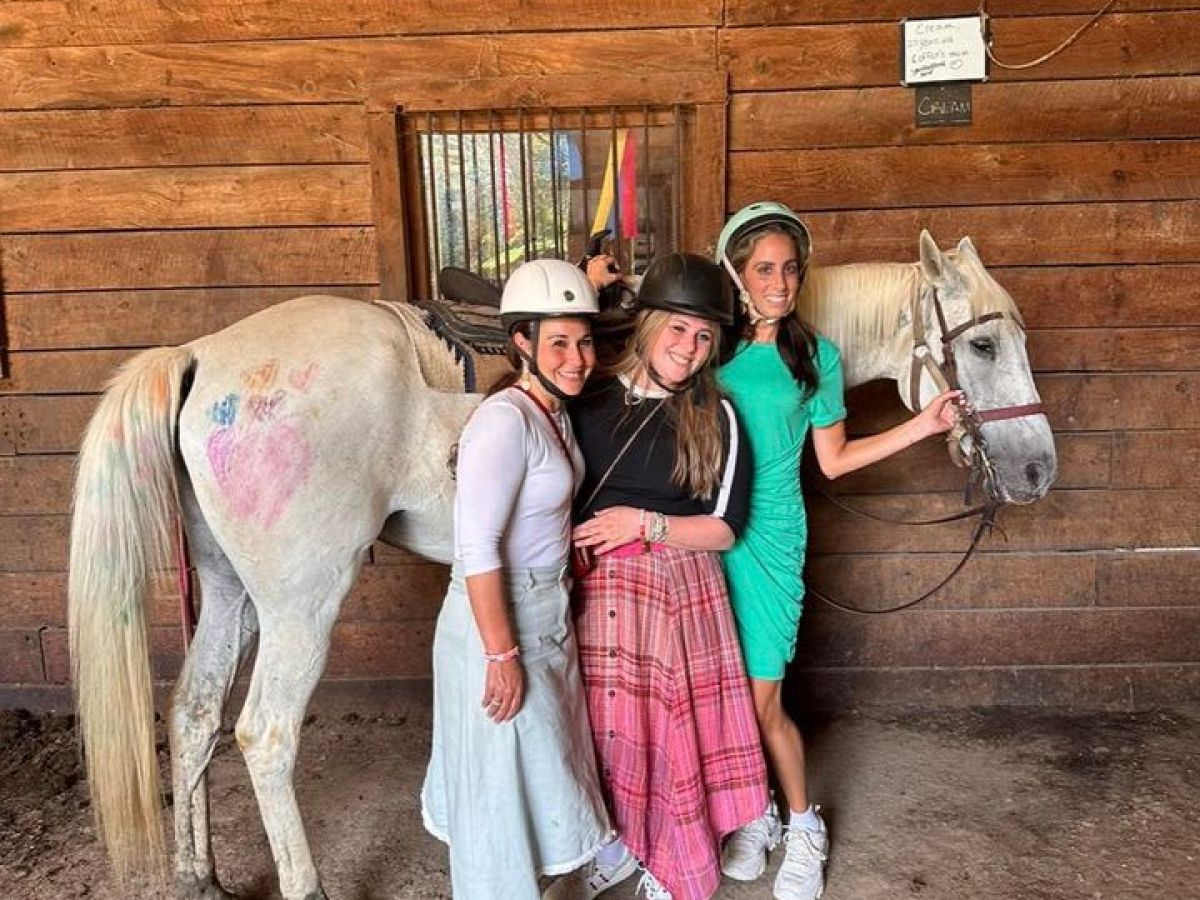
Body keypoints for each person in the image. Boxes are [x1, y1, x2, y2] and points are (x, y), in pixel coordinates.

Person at [712, 202, 964, 900]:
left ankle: (801, 825)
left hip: (772, 537)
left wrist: (922, 426)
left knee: (762, 697)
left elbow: (835, 460)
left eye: (790, 269)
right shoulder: (707, 348)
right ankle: (753, 810)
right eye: (765, 269)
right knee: (721, 691)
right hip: (706, 538)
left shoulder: (816, 356)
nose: (781, 282)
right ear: (736, 273)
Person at [553, 253, 768, 900]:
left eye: (704, 336)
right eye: (678, 329)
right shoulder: (586, 397)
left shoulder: (716, 416)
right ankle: (618, 847)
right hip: (595, 593)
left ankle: (672, 861)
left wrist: (645, 525)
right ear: (646, 325)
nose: (690, 348)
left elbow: (726, 526)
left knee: (667, 742)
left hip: (676, 594)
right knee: (604, 733)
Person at [421, 258, 613, 900]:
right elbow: (476, 547)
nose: (578, 357)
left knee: (538, 779)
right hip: (496, 624)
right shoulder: (504, 421)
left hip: (543, 607)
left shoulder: (551, 412)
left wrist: (567, 551)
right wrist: (499, 655)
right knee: (498, 804)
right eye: (558, 341)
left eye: (584, 340)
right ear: (523, 343)